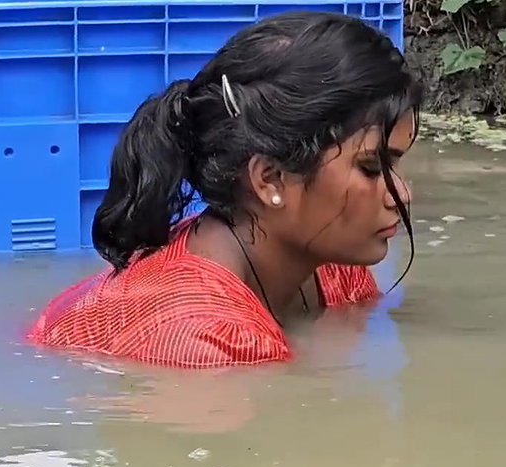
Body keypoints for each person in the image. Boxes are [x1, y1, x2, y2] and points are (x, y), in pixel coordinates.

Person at [26, 11, 423, 369]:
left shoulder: (334, 265)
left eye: (397, 163)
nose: (401, 194)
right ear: (270, 179)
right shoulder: (203, 338)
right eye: (372, 167)